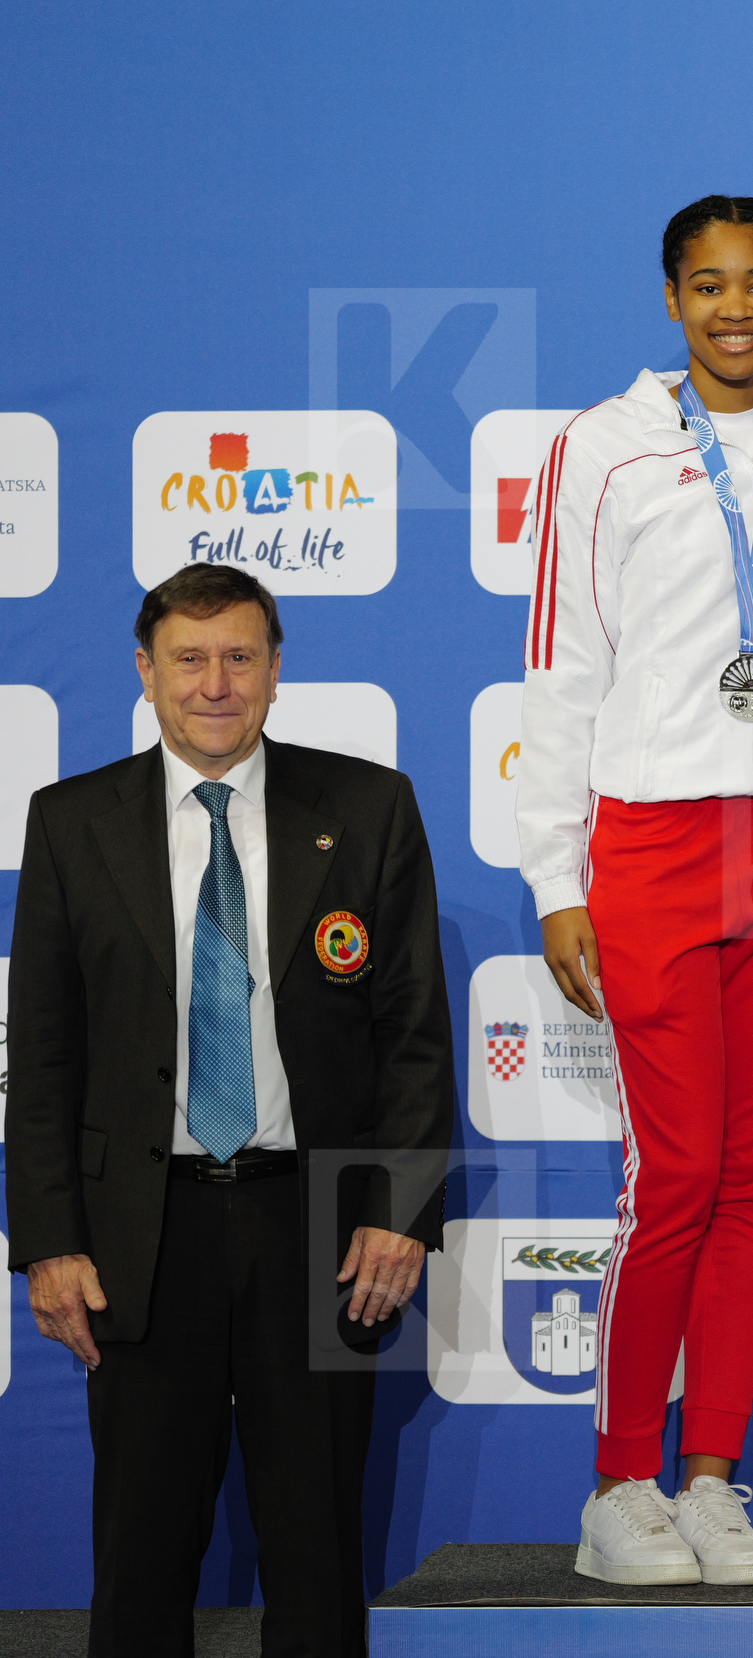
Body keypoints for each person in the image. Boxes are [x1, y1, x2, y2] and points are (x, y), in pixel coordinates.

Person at [7, 563, 454, 1655]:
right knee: (142, 1560)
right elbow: (46, 1053)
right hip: (138, 1236)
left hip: (320, 1232)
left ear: (275, 668)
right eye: (190, 658)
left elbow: (415, 1033)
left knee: (316, 1557)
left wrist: (397, 1209)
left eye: (240, 656)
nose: (217, 683)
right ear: (146, 672)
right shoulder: (70, 821)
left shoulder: (365, 808)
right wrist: (50, 1241)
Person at [520, 194, 753, 1586]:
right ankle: (618, 1484)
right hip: (654, 839)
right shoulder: (598, 447)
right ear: (671, 299)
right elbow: (563, 663)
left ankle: (711, 1476)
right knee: (677, 1173)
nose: (735, 307)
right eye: (709, 285)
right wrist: (557, 873)